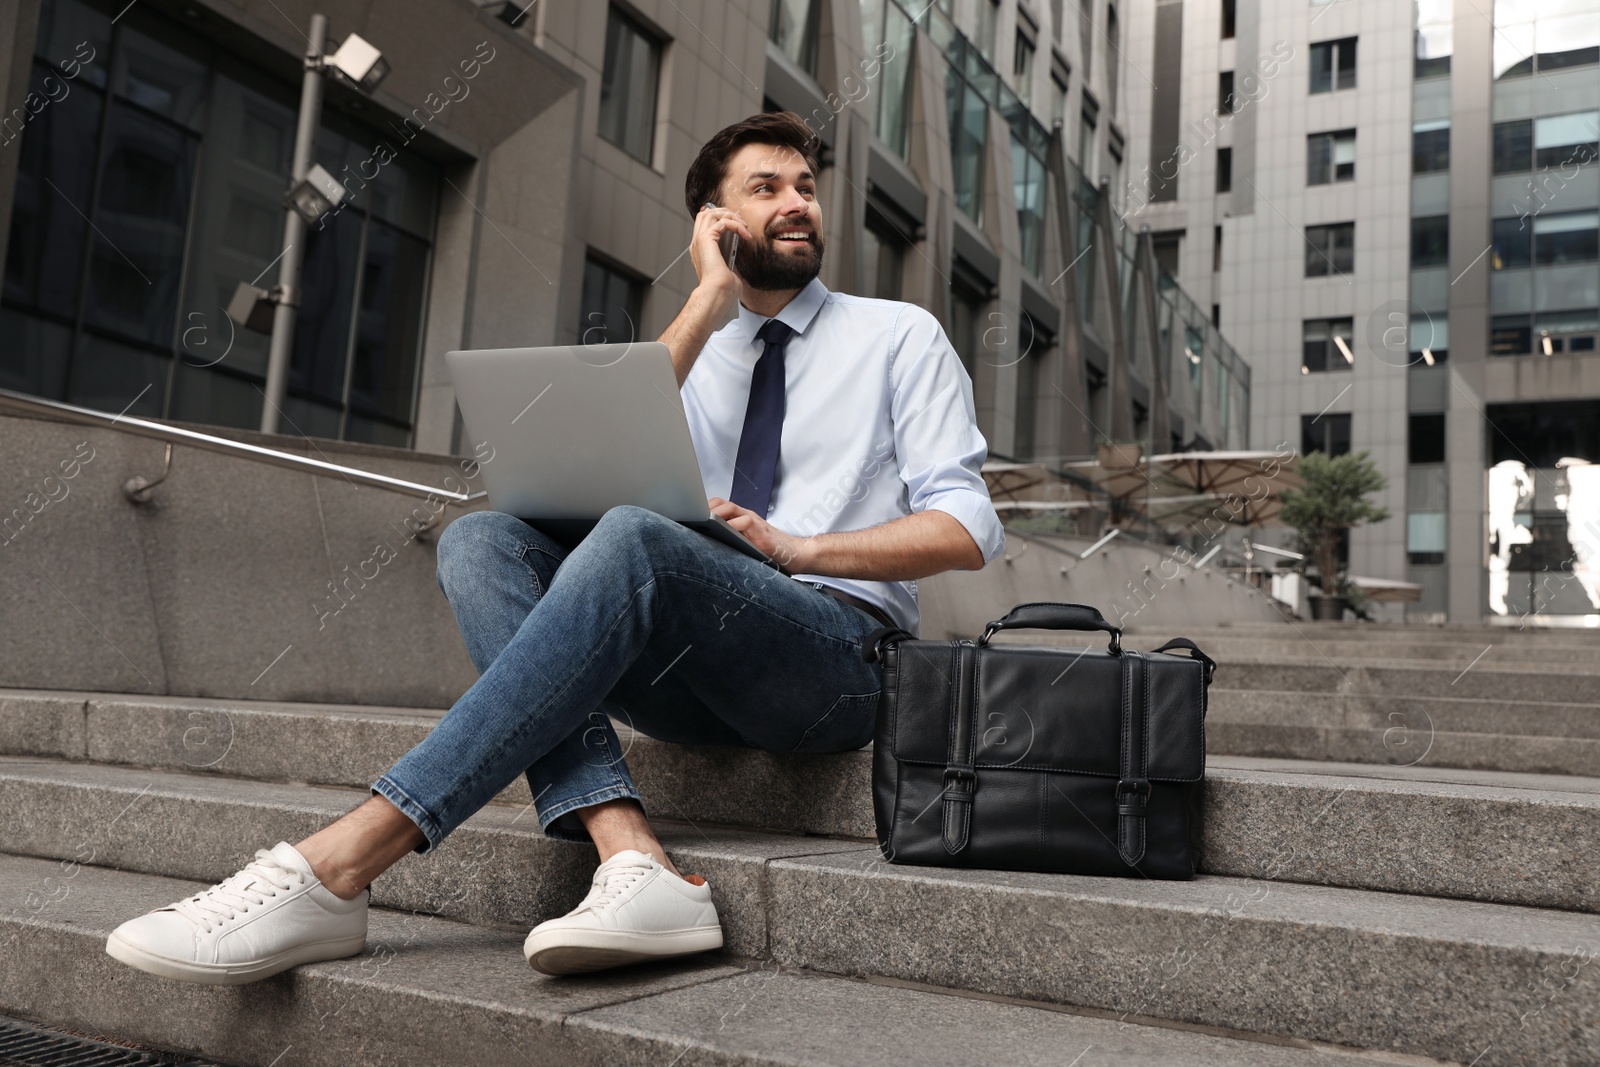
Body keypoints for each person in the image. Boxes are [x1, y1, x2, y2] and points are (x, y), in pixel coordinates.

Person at [103, 111, 1004, 985]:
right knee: (483, 538)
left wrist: (796, 548)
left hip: (839, 662)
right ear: (714, 221)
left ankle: (342, 861)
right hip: (699, 671)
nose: (798, 202)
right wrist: (706, 299)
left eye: (805, 186)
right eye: (765, 188)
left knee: (637, 540)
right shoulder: (699, 348)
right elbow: (605, 478)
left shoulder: (898, 335)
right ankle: (632, 855)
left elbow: (968, 530)